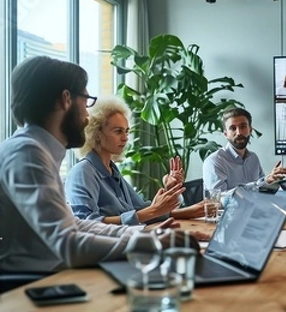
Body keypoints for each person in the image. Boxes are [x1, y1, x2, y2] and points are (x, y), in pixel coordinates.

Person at [0, 56, 201, 276]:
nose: (87, 116)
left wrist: (144, 237)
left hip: (35, 275)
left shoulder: (35, 150)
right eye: (86, 102)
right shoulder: (27, 154)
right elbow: (68, 244)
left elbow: (74, 225)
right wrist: (149, 244)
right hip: (10, 287)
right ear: (66, 99)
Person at [65, 96, 206, 225]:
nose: (125, 138)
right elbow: (87, 223)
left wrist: (174, 195)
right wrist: (154, 210)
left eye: (127, 131)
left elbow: (142, 210)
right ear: (96, 133)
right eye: (118, 131)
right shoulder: (83, 172)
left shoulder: (112, 170)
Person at [203, 107, 286, 192]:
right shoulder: (214, 161)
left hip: (258, 206)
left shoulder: (253, 158)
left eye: (243, 126)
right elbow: (219, 200)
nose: (239, 132)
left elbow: (262, 189)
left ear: (250, 130)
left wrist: (271, 179)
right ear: (225, 134)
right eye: (233, 128)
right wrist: (262, 182)